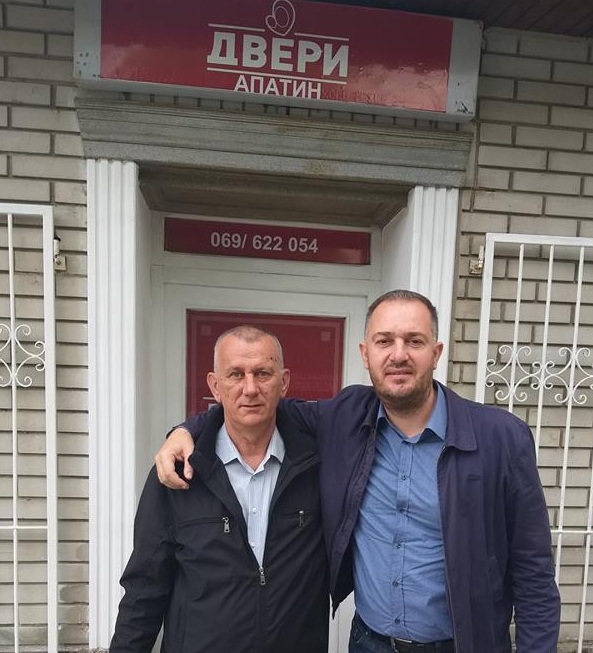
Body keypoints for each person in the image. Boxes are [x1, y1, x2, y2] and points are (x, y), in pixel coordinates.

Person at [157, 290, 561, 653]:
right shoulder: (345, 417)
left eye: (414, 341)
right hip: (369, 642)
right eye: (384, 341)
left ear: (436, 352)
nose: (398, 355)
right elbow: (255, 405)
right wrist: (186, 430)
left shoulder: (500, 438)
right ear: (365, 354)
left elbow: (534, 574)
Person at [110, 326, 328, 653]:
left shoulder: (316, 466)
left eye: (263, 373)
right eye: (236, 374)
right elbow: (145, 587)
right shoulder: (178, 472)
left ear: (283, 382)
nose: (250, 388)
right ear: (215, 386)